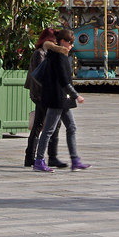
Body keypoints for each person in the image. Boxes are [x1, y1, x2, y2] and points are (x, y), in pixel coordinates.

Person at [33, 28, 91, 172]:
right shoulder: (58, 56)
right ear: (63, 41)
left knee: (71, 127)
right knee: (49, 130)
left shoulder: (58, 55)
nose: (72, 45)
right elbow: (64, 81)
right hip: (57, 98)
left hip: (62, 98)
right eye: (70, 42)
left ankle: (75, 160)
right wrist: (76, 95)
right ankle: (39, 160)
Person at [23, 28, 67, 169]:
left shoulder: (45, 53)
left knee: (39, 124)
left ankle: (30, 157)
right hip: (42, 94)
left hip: (42, 94)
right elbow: (41, 75)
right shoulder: (40, 53)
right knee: (53, 124)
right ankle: (50, 156)